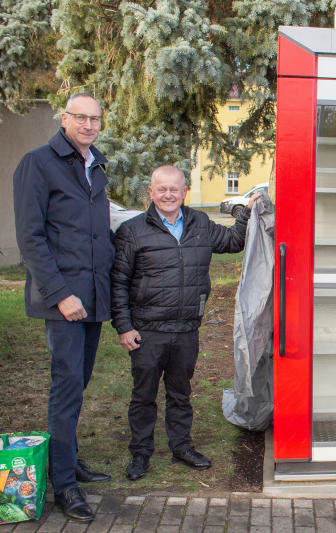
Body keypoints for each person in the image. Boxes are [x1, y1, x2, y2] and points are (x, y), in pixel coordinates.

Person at [110, 165, 259, 481]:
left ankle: (181, 448)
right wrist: (124, 327)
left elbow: (233, 242)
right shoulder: (133, 231)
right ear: (150, 193)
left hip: (186, 329)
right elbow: (119, 281)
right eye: (161, 189)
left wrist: (247, 212)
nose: (168, 195)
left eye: (174, 189)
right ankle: (140, 454)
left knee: (180, 394)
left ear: (184, 192)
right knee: (143, 396)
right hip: (146, 331)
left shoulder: (200, 224)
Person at [13, 93, 114, 522]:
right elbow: (31, 238)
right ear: (65, 119)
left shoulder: (95, 166)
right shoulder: (38, 163)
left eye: (95, 119)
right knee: (66, 386)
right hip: (64, 301)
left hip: (91, 297)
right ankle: (64, 487)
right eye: (81, 118)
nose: (89, 125)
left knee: (80, 382)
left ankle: (65, 460)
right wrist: (59, 293)